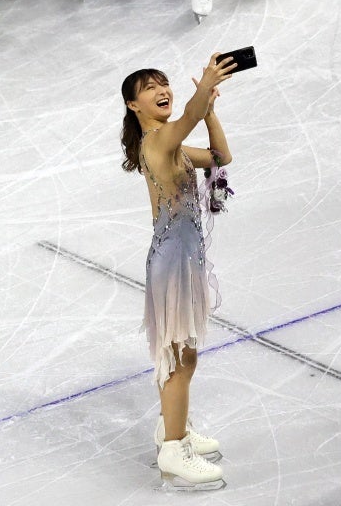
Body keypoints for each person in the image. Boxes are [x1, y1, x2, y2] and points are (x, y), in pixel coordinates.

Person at [120, 55, 238, 491]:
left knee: (182, 356)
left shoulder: (170, 142)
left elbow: (221, 156)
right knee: (179, 359)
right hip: (172, 263)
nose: (160, 90)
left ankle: (174, 429)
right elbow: (186, 115)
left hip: (185, 259)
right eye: (149, 88)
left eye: (163, 83)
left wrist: (209, 112)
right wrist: (203, 89)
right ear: (134, 105)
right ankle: (173, 449)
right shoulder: (156, 141)